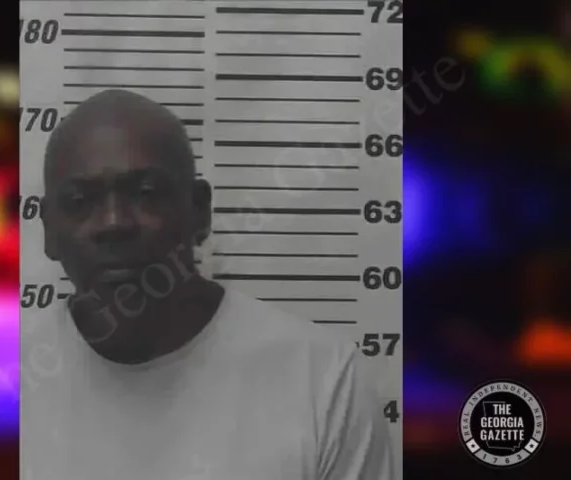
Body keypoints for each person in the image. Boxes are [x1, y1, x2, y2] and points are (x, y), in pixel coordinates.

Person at [21, 89, 395, 479]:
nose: (114, 223)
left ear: (199, 211)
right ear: (48, 230)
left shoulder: (324, 382)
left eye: (146, 193)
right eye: (79, 201)